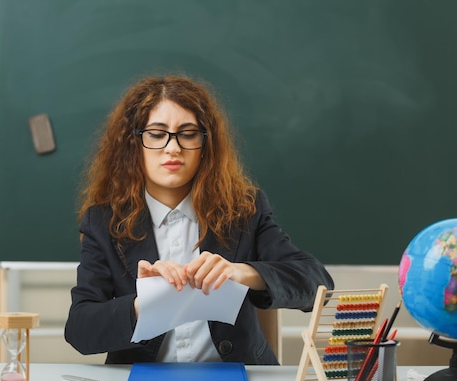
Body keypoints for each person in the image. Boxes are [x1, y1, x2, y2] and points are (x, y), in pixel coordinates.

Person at [64, 74, 334, 365]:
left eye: (188, 133)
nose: (173, 148)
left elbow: (318, 285)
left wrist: (241, 272)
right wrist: (146, 305)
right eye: (157, 134)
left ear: (206, 144)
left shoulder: (244, 210)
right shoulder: (104, 221)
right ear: (135, 143)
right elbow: (80, 330)